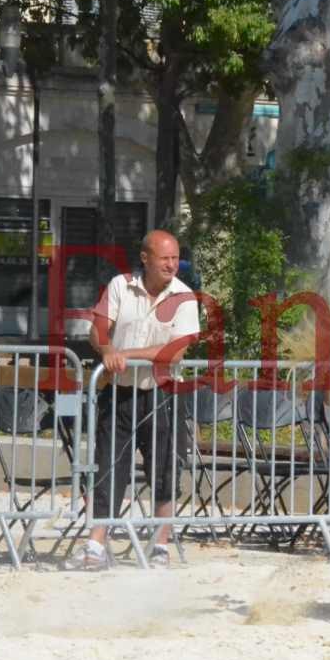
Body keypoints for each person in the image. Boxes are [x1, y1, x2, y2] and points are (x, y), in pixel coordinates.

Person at [66, 230, 200, 571]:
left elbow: (175, 351)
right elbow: (97, 329)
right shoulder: (119, 285)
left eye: (175, 258)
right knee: (108, 467)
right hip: (121, 392)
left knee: (165, 471)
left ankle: (160, 545)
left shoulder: (185, 296)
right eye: (164, 258)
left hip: (165, 394)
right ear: (145, 258)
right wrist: (108, 350)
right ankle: (96, 545)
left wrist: (125, 353)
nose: (172, 264)